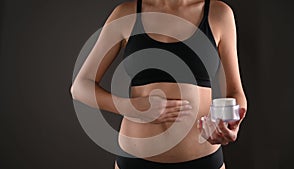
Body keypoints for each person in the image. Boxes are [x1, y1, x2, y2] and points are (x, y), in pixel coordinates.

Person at [70, 0, 247, 168]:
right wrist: (132, 107)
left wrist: (230, 123)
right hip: (136, 160)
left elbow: (235, 92)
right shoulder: (126, 14)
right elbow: (80, 87)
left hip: (202, 160)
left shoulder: (219, 14)